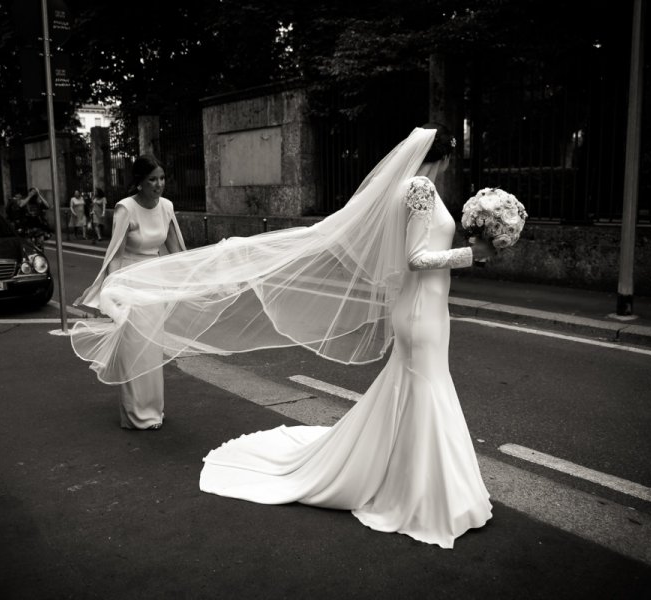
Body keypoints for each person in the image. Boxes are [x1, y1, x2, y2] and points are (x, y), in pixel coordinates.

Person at [70, 126, 497, 547]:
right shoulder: (420, 187)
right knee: (425, 386)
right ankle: (424, 490)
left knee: (421, 386)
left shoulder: (414, 186)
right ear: (442, 158)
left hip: (427, 307)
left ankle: (418, 481)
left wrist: (471, 245)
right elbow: (417, 257)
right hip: (421, 309)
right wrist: (471, 254)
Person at [75, 155, 187, 430]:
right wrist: (115, 291)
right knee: (133, 349)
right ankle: (135, 414)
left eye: (161, 178)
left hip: (155, 283)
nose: (159, 185)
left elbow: (177, 251)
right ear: (139, 183)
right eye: (152, 180)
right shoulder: (125, 208)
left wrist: (207, 268)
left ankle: (153, 411)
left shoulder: (167, 207)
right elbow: (116, 254)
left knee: (151, 349)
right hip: (131, 281)